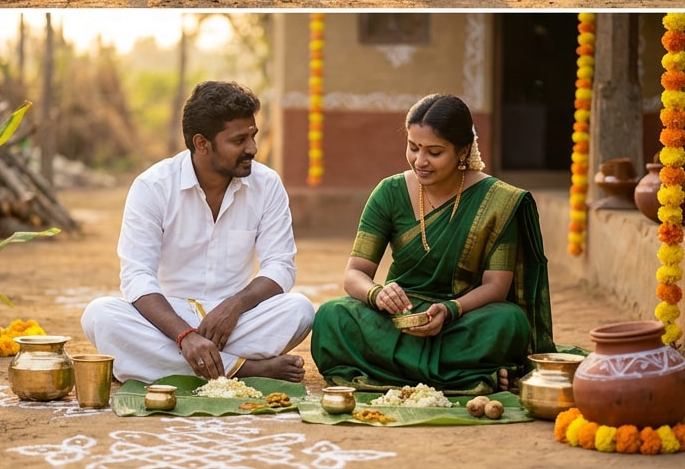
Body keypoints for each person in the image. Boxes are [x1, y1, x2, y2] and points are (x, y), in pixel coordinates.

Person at [310, 93, 555, 394]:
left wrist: (450, 309)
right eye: (413, 147)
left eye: (434, 152)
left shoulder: (497, 201)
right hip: (399, 318)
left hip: (462, 317)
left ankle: (399, 370)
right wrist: (377, 294)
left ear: (463, 151)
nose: (420, 161)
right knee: (331, 316)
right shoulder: (389, 192)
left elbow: (496, 286)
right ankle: (473, 373)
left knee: (510, 321)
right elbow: (355, 274)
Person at [81, 80, 314, 384]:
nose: (252, 149)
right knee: (100, 315)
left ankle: (163, 365)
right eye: (239, 140)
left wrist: (234, 306)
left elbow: (280, 266)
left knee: (299, 309)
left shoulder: (267, 184)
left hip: (238, 321)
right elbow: (137, 275)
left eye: (253, 136)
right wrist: (184, 335)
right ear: (202, 144)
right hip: (169, 318)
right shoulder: (152, 186)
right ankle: (245, 369)